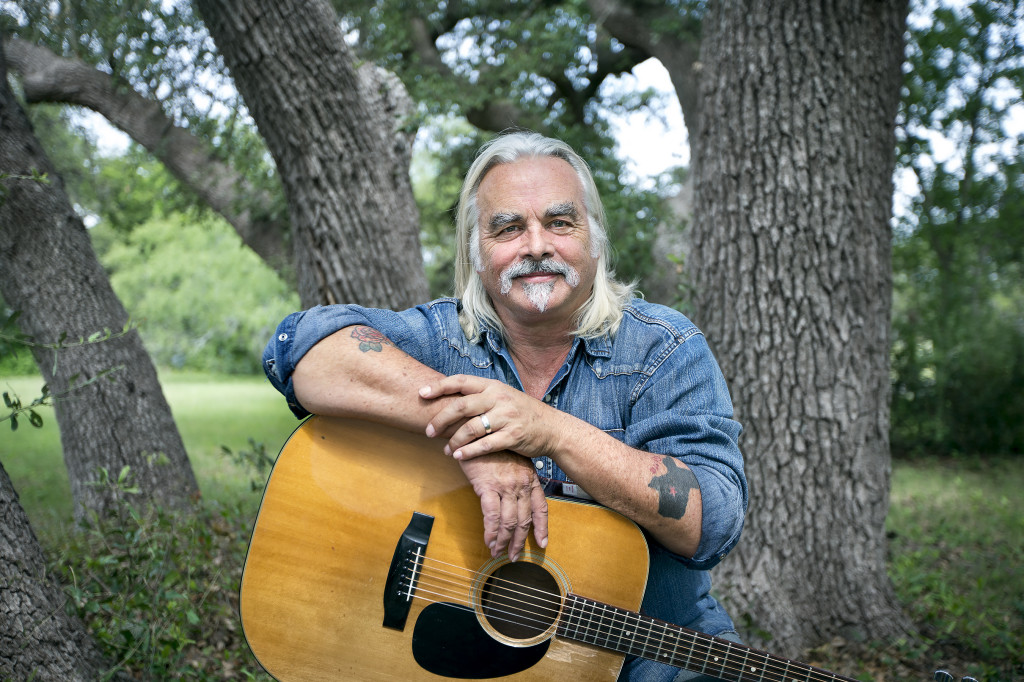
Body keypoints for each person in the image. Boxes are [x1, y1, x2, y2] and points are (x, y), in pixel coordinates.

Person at [262, 131, 747, 682]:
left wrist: (552, 432)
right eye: (509, 227)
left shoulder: (664, 348)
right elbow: (301, 349)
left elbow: (712, 523)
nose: (536, 245)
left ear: (594, 239)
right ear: (476, 251)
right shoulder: (441, 339)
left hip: (654, 647)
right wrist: (480, 440)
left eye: (559, 223)